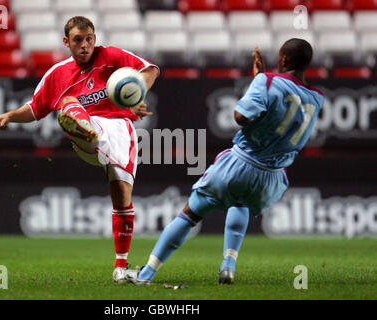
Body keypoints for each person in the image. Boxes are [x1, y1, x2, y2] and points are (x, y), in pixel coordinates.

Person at [125, 38, 324, 285]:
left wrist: (257, 83)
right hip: (272, 177)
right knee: (240, 202)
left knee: (190, 214)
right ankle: (228, 266)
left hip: (241, 163)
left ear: (283, 59)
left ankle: (146, 274)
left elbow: (241, 117)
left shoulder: (267, 81)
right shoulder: (317, 99)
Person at [0, 16, 159, 283]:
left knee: (122, 195)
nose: (85, 45)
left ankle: (120, 268)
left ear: (95, 38)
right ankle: (83, 131)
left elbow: (150, 70)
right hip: (90, 129)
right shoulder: (58, 74)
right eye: (78, 40)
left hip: (120, 129)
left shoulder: (112, 56)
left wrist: (138, 94)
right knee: (69, 101)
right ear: (66, 42)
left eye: (89, 38)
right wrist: (10, 116)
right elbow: (35, 109)